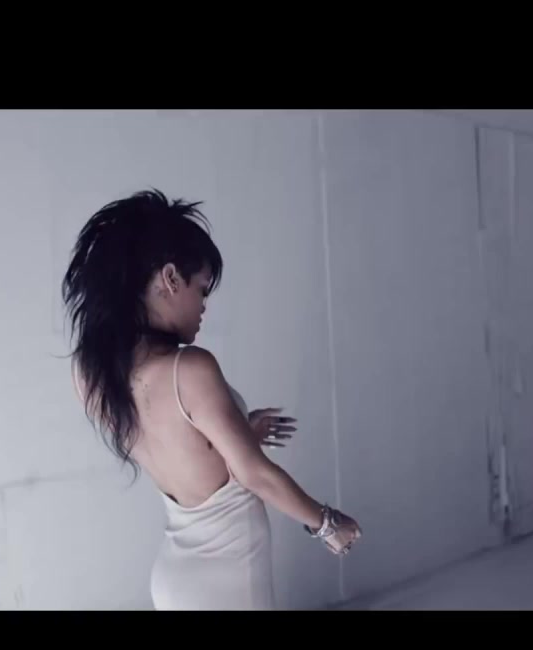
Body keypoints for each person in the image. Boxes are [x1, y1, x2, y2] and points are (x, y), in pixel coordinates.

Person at [61, 189, 361, 610]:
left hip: (177, 578)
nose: (203, 306)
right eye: (202, 289)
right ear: (170, 278)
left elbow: (182, 453)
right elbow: (254, 474)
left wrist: (239, 433)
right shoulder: (190, 369)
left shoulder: (90, 375)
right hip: (227, 580)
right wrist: (327, 524)